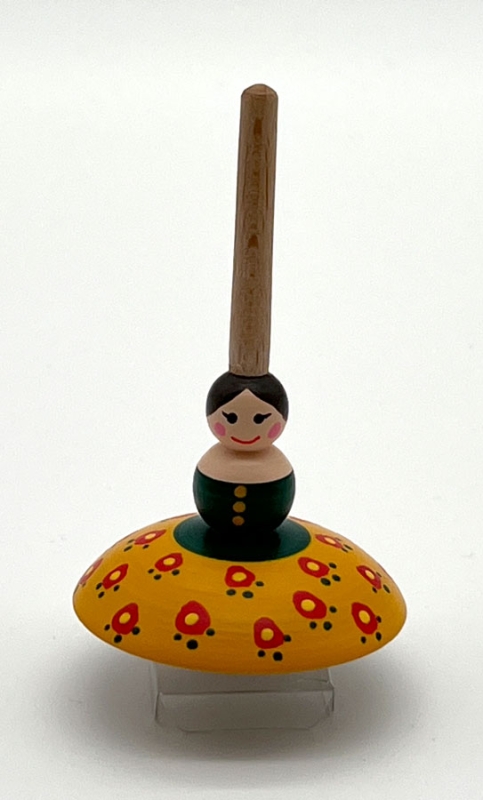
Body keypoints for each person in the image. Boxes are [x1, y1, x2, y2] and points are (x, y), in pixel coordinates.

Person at [193, 372, 295, 534]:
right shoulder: (212, 462)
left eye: (259, 419)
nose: (246, 431)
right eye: (231, 418)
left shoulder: (277, 465)